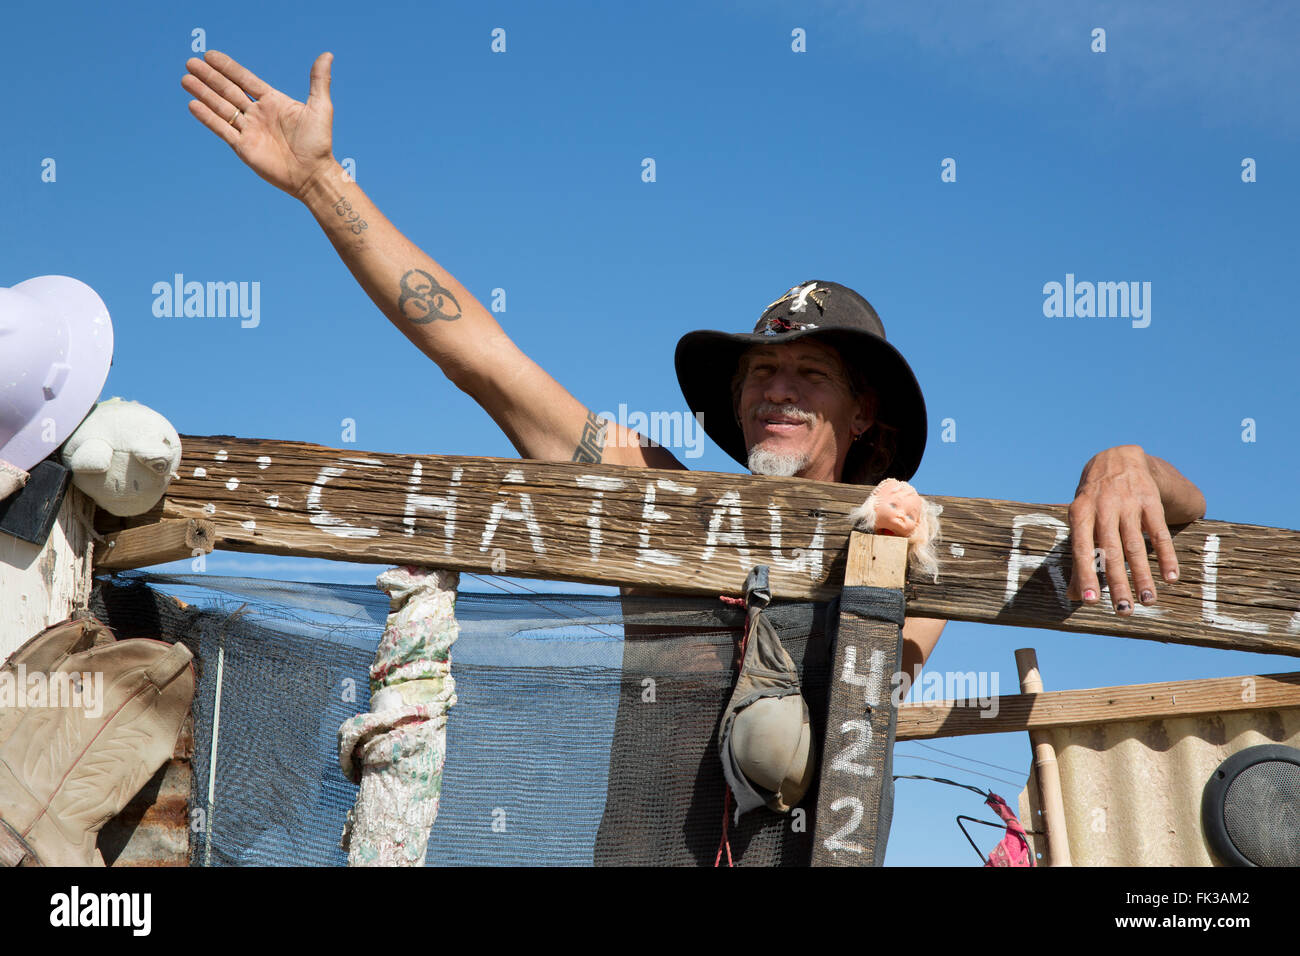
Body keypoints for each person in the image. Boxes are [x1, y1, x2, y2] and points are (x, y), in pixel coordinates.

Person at [180, 50, 1208, 679]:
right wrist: (321, 185)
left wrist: (1123, 462)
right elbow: (482, 359)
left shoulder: (925, 545)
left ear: (866, 421)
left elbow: (1172, 528)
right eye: (761, 371)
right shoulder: (659, 501)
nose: (774, 386)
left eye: (810, 375)